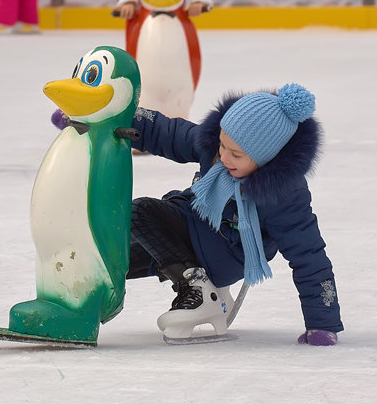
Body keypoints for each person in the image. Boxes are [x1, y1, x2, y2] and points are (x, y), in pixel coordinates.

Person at [124, 83, 344, 344]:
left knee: (140, 212)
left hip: (225, 255)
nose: (224, 158)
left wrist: (322, 323)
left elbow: (309, 256)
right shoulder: (218, 148)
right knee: (115, 262)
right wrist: (107, 116)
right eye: (222, 145)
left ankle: (202, 291)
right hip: (191, 227)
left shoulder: (283, 197)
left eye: (236, 155)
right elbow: (167, 132)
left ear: (266, 158)